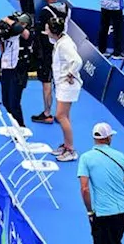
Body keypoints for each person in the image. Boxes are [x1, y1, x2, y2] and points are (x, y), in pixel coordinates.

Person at [78, 123, 124, 244]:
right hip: (123, 211)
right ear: (108, 138)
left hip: (102, 213)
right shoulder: (121, 156)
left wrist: (89, 211)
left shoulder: (85, 158)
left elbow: (84, 189)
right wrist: (122, 201)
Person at [31, 0, 69, 126]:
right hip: (62, 50)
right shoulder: (65, 8)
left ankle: (47, 114)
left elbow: (40, 34)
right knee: (60, 85)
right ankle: (62, 115)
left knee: (46, 84)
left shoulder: (45, 12)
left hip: (47, 53)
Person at [48, 18, 82, 162]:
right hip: (62, 84)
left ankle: (70, 150)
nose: (46, 30)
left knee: (60, 116)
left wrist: (70, 73)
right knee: (65, 116)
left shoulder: (64, 45)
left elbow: (78, 61)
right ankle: (66, 145)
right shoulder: (60, 40)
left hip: (68, 85)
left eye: (48, 28)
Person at [0, 12, 31, 128]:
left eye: (22, 24)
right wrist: (1, 39)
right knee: (6, 101)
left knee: (14, 103)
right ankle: (15, 125)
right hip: (5, 68)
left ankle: (21, 128)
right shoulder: (10, 33)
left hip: (18, 73)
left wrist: (8, 20)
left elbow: (25, 34)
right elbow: (3, 51)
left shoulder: (27, 34)